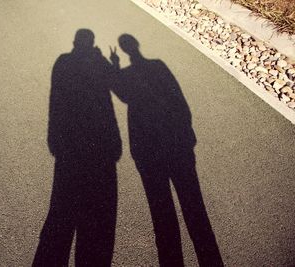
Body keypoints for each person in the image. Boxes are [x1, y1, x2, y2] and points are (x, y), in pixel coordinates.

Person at [110, 34, 223, 267]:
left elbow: (123, 94)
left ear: (124, 49)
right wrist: (187, 136)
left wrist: (115, 66)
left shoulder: (129, 75)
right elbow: (180, 103)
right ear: (137, 45)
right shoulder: (158, 66)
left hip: (147, 151)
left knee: (162, 213)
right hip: (177, 146)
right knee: (195, 208)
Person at [33, 29, 121, 267]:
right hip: (98, 144)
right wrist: (112, 62)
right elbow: (117, 88)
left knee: (62, 208)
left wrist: (54, 138)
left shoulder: (62, 62)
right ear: (91, 43)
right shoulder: (98, 62)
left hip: (68, 144)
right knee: (93, 213)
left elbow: (55, 100)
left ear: (74, 43)